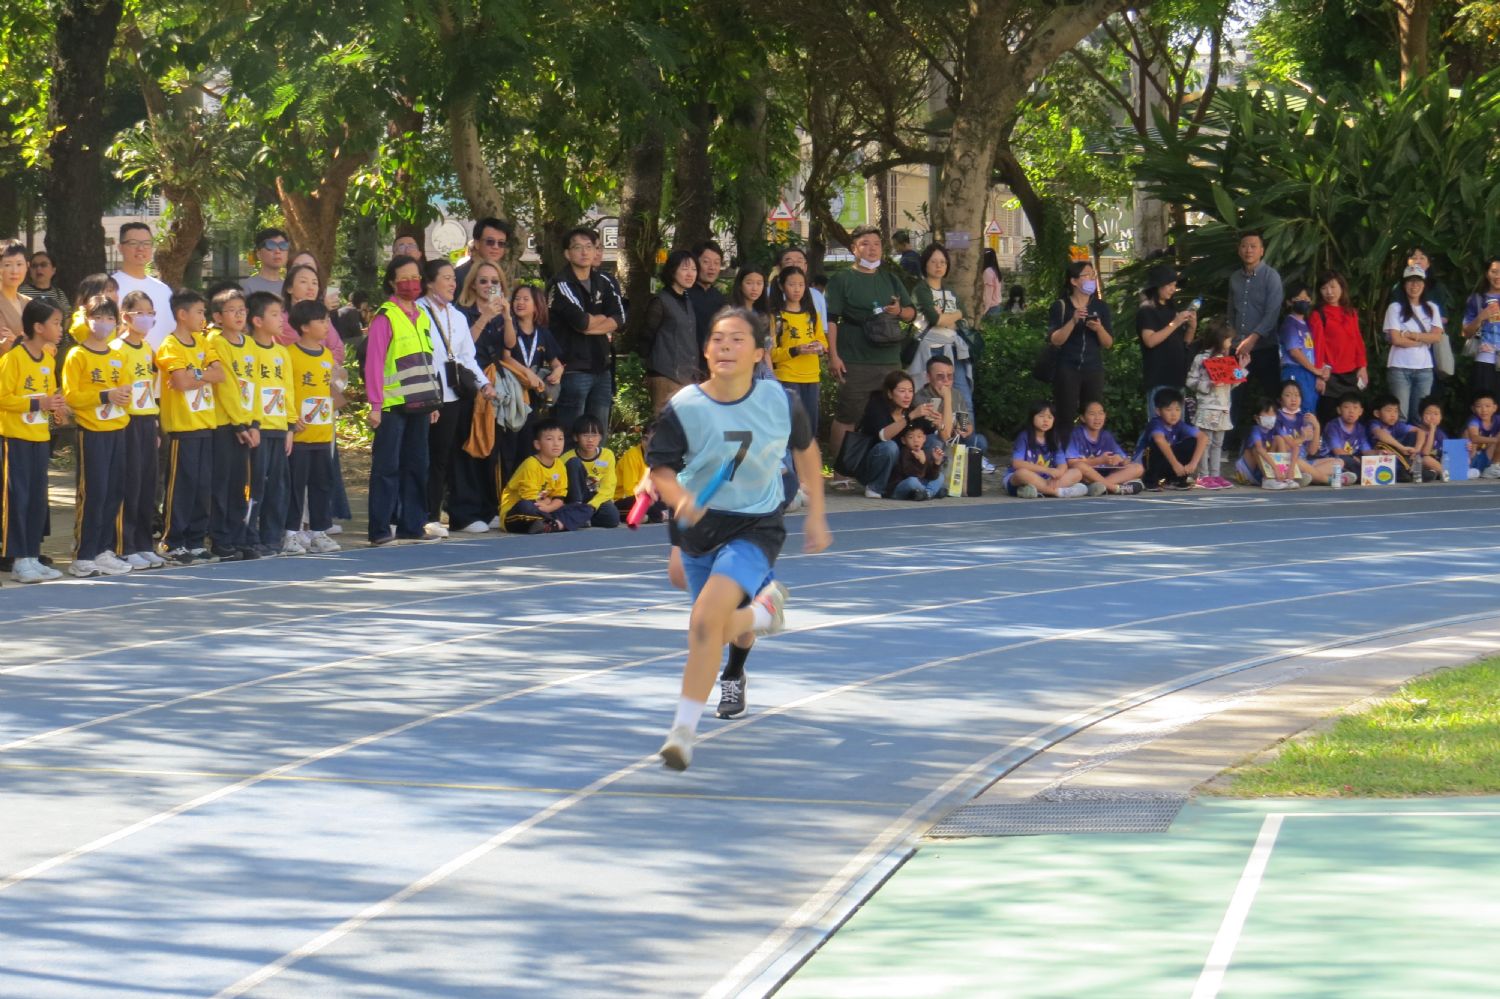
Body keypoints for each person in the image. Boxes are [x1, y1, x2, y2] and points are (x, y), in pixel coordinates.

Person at [647, 306, 830, 771]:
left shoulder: (780, 401)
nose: (725, 346)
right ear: (706, 351)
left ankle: (682, 734)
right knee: (710, 629)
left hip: (754, 525)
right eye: (717, 339)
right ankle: (764, 613)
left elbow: (807, 452)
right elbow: (662, 470)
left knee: (706, 622)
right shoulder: (685, 407)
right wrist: (679, 503)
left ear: (759, 354)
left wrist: (816, 514)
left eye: (737, 339)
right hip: (697, 530)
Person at [365, 254, 442, 545]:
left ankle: (413, 525)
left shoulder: (422, 315)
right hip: (391, 404)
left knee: (417, 465)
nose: (412, 283)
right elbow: (374, 362)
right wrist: (375, 405)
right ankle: (380, 529)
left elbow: (428, 359)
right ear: (392, 283)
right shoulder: (385, 317)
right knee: (387, 467)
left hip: (420, 403)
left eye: (416, 277)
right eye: (405, 278)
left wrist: (433, 400)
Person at [825, 225, 915, 461]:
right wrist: (833, 356)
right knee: (848, 415)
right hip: (855, 359)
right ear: (854, 248)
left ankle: (887, 466)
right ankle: (841, 470)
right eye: (865, 244)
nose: (872, 249)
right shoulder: (842, 279)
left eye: (876, 244)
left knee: (893, 413)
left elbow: (911, 313)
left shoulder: (891, 278)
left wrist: (899, 311)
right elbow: (830, 320)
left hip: (890, 358)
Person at [60, 295, 132, 576]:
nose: (104, 323)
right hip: (92, 432)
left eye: (110, 318)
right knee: (94, 492)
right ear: (86, 320)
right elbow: (72, 396)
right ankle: (84, 553)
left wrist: (121, 396)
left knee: (114, 491)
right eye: (97, 317)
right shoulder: (77, 355)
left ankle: (103, 549)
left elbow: (125, 390)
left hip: (117, 430)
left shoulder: (117, 356)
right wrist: (104, 395)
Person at [419, 258, 492, 534]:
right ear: (430, 282)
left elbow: (466, 357)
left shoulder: (457, 316)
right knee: (418, 456)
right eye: (446, 278)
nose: (453, 283)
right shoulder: (418, 312)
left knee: (441, 457)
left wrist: (484, 384)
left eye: (453, 278)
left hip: (451, 394)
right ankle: (406, 515)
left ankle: (432, 516)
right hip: (422, 393)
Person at [0, 299, 66, 582]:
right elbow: (3, 398)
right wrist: (40, 403)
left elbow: (49, 396)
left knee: (38, 499)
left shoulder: (48, 360)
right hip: (15, 439)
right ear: (38, 327)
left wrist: (56, 408)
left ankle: (31, 555)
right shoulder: (12, 359)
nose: (60, 329)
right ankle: (17, 559)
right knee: (18, 498)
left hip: (40, 437)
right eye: (56, 323)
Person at [156, 289, 223, 564]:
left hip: (205, 424)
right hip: (182, 428)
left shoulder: (203, 342)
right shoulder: (170, 345)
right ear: (182, 314)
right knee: (181, 486)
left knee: (202, 486)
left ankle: (195, 540)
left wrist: (194, 373)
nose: (203, 317)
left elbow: (220, 374)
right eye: (199, 312)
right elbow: (180, 382)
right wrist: (202, 375)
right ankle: (173, 542)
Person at [547, 228, 622, 437]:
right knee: (569, 434)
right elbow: (581, 322)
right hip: (572, 369)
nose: (584, 252)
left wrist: (593, 324)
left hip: (602, 368)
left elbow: (621, 318)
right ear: (567, 253)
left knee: (598, 435)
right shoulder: (561, 283)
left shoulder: (604, 281)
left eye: (589, 247)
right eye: (577, 247)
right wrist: (602, 320)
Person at [205, 288, 260, 561]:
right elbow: (225, 386)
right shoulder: (216, 343)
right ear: (217, 317)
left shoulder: (249, 344)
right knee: (222, 483)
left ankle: (239, 536)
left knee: (242, 484)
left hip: (247, 424)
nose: (239, 316)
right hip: (226, 425)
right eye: (232, 311)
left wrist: (255, 423)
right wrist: (239, 424)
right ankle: (220, 538)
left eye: (242, 310)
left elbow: (257, 385)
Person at [112, 290, 165, 568]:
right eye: (140, 313)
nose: (146, 318)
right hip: (127, 421)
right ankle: (125, 544)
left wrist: (154, 422)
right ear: (126, 316)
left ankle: (144, 543)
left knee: (147, 484)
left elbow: (149, 387)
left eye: (150, 313)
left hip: (147, 420)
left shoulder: (146, 349)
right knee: (130, 484)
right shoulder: (117, 349)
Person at [285, 299, 341, 554]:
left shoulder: (327, 355)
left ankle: (319, 531)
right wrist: (290, 419)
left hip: (322, 433)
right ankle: (290, 533)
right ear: (305, 326)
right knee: (295, 486)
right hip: (299, 435)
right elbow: (286, 390)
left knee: (322, 484)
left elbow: (329, 389)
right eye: (321, 321)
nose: (327, 325)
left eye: (327, 320)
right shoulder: (289, 355)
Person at [245, 291, 295, 558]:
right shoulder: (247, 350)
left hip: (278, 428)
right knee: (256, 484)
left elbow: (288, 390)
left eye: (281, 314)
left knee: (278, 485)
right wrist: (250, 423)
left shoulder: (281, 352)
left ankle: (272, 537)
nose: (281, 319)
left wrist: (290, 426)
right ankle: (249, 536)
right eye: (274, 314)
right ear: (257, 320)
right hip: (258, 429)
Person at [1225, 231, 1283, 437]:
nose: (1248, 250)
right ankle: (1226, 444)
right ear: (1238, 250)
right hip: (1238, 351)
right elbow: (1231, 313)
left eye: (1253, 246)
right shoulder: (1234, 278)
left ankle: (1279, 440)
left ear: (1262, 250)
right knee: (1232, 396)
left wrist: (1253, 338)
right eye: (1244, 246)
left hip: (1265, 348)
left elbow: (1272, 313)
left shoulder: (1271, 277)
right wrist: (1230, 341)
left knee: (1273, 394)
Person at [1045, 259, 1113, 432]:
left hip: (1093, 368)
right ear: (1074, 281)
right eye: (1087, 275)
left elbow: (1108, 343)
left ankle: (1089, 447)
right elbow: (1055, 340)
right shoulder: (1061, 306)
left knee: (1092, 414)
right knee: (1065, 414)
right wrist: (1073, 320)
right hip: (1067, 368)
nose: (1092, 279)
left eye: (1093, 275)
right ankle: (1064, 446)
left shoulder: (1100, 306)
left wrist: (1099, 329)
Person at [908, 243, 975, 415]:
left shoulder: (950, 291)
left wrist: (948, 317)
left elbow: (964, 316)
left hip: (954, 348)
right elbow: (935, 319)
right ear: (925, 264)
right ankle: (936, 432)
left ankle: (965, 431)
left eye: (943, 262)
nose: (939, 266)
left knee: (963, 398)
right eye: (933, 262)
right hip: (931, 349)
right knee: (932, 399)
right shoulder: (921, 290)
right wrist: (952, 316)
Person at [853, 371, 941, 498]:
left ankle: (921, 487)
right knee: (890, 446)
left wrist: (940, 425)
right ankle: (875, 487)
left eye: (910, 391)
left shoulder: (912, 410)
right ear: (890, 393)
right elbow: (883, 436)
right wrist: (910, 417)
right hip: (872, 466)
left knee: (933, 440)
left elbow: (934, 434)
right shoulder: (877, 407)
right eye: (902, 391)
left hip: (902, 470)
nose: (907, 396)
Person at [500, 419, 593, 532]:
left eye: (560, 439)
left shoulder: (559, 465)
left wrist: (549, 506)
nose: (556, 443)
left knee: (586, 508)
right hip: (518, 512)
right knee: (526, 507)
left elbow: (559, 497)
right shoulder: (531, 464)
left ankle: (551, 525)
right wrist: (549, 502)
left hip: (546, 509)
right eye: (549, 439)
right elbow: (531, 499)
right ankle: (557, 523)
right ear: (537, 444)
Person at [768, 265, 826, 440]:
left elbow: (823, 341)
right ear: (781, 286)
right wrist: (796, 350)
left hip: (811, 376)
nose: (797, 289)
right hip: (787, 376)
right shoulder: (776, 317)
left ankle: (808, 458)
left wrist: (819, 347)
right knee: (790, 429)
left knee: (810, 429)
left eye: (801, 285)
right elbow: (771, 353)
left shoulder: (812, 314)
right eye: (792, 284)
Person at [1380, 265, 1442, 422]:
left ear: (1424, 284)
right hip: (1399, 367)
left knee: (1420, 417)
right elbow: (1396, 339)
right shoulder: (1395, 308)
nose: (1414, 285)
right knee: (1399, 416)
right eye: (1410, 281)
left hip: (1424, 369)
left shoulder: (1432, 308)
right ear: (1404, 285)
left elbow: (1436, 337)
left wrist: (1411, 335)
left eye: (1418, 281)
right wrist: (1423, 340)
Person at [642, 249, 701, 415]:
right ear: (672, 271)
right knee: (664, 423)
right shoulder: (660, 301)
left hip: (688, 376)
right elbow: (646, 337)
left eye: (694, 269)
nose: (690, 274)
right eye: (684, 269)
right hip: (664, 375)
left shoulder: (687, 300)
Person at [1137, 262, 1197, 416]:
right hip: (1159, 377)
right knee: (1160, 425)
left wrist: (1191, 327)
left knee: (1177, 425)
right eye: (1169, 285)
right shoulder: (1147, 310)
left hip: (1178, 377)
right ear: (1158, 285)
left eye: (1174, 285)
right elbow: (1150, 341)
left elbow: (1185, 343)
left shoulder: (1172, 309)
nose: (1173, 289)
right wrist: (1175, 323)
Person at [1309, 270, 1367, 426]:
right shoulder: (1318, 314)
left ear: (1342, 288)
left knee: (1353, 418)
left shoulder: (1351, 312)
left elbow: (1357, 340)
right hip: (1330, 375)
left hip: (1352, 373)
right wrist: (1319, 374)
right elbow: (1318, 346)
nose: (1329, 292)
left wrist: (1362, 366)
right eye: (1324, 288)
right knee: (1329, 419)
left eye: (1333, 287)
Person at [913, 355, 990, 469]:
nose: (946, 381)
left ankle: (964, 468)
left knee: (980, 441)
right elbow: (945, 436)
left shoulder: (957, 394)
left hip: (954, 440)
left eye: (950, 376)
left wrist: (966, 429)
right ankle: (940, 468)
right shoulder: (922, 398)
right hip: (935, 441)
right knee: (936, 443)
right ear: (928, 377)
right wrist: (947, 398)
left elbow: (964, 424)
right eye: (940, 376)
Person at [1185, 319, 1237, 487]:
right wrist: (1208, 384)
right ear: (1219, 339)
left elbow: (1233, 383)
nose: (1230, 343)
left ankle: (1215, 474)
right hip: (1207, 407)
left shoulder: (1226, 359)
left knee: (1217, 443)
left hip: (1223, 407)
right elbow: (1190, 381)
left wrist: (1241, 368)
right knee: (1205, 443)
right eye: (1228, 339)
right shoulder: (1201, 359)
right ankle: (1203, 475)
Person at [111, 223, 175, 348]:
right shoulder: (109, 287)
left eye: (146, 243)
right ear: (120, 248)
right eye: (133, 243)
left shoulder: (164, 290)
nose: (140, 248)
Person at [1006, 400, 1087, 498]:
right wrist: (1047, 470)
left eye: (1050, 417)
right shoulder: (1024, 436)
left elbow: (1062, 465)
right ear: (1032, 417)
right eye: (1041, 416)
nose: (1046, 420)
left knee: (1077, 472)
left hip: (1048, 479)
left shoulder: (1054, 439)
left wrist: (1058, 474)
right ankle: (1058, 492)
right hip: (1024, 478)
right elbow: (1017, 463)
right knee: (1022, 473)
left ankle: (1041, 490)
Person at [1065, 400, 1145, 495]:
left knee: (1138, 468)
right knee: (1079, 466)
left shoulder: (1106, 436)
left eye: (1100, 413)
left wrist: (1120, 460)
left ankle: (1098, 486)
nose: (1097, 418)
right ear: (1083, 418)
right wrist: (1100, 460)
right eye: (1092, 414)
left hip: (1106, 475)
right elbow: (1072, 463)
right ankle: (1114, 488)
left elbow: (1125, 460)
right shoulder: (1075, 435)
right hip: (1085, 476)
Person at [1138, 388, 1208, 489]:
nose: (1174, 414)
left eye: (1177, 409)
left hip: (1167, 464)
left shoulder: (1179, 424)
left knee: (1192, 442)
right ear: (1158, 411)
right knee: (1158, 445)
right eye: (1168, 410)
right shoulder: (1155, 423)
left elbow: (1203, 437)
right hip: (1148, 465)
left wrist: (1193, 463)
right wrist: (1175, 465)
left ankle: (1175, 480)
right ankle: (1150, 481)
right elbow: (1159, 440)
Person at [562, 414, 621, 528]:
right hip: (574, 499)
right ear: (576, 437)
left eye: (594, 435)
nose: (590, 440)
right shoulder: (565, 458)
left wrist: (591, 506)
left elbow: (608, 487)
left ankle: (580, 517)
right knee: (574, 463)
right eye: (585, 435)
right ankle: (577, 512)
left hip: (595, 497)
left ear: (600, 437)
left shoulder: (607, 455)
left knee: (612, 518)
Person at [1277, 281, 1324, 416]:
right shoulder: (1290, 324)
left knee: (1309, 406)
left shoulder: (1305, 324)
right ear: (1289, 302)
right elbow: (1294, 352)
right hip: (1294, 370)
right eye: (1299, 298)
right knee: (1296, 409)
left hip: (1307, 372)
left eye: (1306, 298)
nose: (1304, 301)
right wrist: (1315, 370)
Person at [1235, 399, 1301, 490]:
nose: (1271, 417)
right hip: (1248, 473)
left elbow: (1295, 446)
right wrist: (1275, 468)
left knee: (1279, 439)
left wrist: (1291, 468)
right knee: (1257, 449)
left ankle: (1285, 477)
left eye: (1273, 414)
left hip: (1265, 468)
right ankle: (1268, 479)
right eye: (1267, 413)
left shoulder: (1276, 427)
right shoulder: (1255, 430)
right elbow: (1259, 449)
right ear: (1257, 418)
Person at [1460, 258, 1500, 398]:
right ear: (1487, 274)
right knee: (1484, 403)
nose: (1498, 276)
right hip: (1485, 358)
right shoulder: (1477, 299)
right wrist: (1481, 317)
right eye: (1494, 271)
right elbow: (1466, 332)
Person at [613, 422, 667, 523]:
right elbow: (630, 491)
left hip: (647, 498)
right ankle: (658, 516)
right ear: (643, 439)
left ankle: (649, 516)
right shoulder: (632, 455)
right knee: (643, 502)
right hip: (623, 499)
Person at [1366, 392, 1424, 482]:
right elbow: (1380, 434)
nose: (1393, 415)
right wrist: (1401, 448)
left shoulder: (1397, 425)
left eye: (1396, 411)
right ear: (1377, 413)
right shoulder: (1374, 424)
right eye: (1389, 411)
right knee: (1384, 444)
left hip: (1396, 457)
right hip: (1377, 459)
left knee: (1412, 435)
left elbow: (1420, 431)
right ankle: (1405, 471)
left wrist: (1417, 449)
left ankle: (1410, 469)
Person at [453, 217, 512, 294]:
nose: (496, 247)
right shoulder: (459, 276)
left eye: (501, 243)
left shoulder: (500, 273)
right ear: (477, 243)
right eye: (490, 242)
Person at [776, 246, 827, 331]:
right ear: (779, 268)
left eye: (799, 261)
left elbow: (822, 330)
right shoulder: (766, 293)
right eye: (789, 262)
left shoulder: (817, 296)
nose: (795, 265)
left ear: (805, 267)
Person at [889, 422, 946, 500]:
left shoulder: (925, 452)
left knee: (940, 476)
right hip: (902, 486)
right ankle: (930, 492)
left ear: (924, 439)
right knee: (912, 481)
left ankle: (926, 493)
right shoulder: (904, 452)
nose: (916, 440)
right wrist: (922, 462)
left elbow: (931, 476)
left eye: (919, 437)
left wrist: (937, 462)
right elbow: (910, 474)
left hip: (918, 485)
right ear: (903, 440)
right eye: (911, 437)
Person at [1323, 392, 1375, 476]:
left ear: (1360, 411)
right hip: (1331, 461)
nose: (1351, 411)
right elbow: (1337, 451)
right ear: (1339, 410)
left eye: (1355, 408)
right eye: (1346, 407)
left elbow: (1366, 451)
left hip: (1351, 462)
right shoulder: (1332, 426)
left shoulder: (1360, 428)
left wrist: (1379, 453)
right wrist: (1354, 459)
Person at [686, 241, 727, 345]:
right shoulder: (683, 295)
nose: (712, 267)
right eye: (706, 262)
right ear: (695, 263)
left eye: (716, 263)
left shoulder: (720, 299)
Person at [0, 241, 33, 350]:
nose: (14, 271)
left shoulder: (30, 303)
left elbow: (50, 347)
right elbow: (5, 343)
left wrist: (16, 340)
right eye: (7, 265)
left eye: (19, 264)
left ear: (27, 266)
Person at [241, 228, 290, 298]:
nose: (278, 251)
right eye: (271, 245)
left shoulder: (290, 288)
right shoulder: (248, 287)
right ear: (258, 254)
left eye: (283, 245)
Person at [1410, 395, 1450, 481]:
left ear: (1441, 417)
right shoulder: (1416, 431)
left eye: (1436, 414)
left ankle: (1438, 473)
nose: (1432, 417)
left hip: (1436, 464)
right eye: (1428, 413)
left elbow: (1449, 451)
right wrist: (1432, 431)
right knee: (1426, 459)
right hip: (1419, 463)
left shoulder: (1441, 434)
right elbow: (1425, 453)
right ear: (1421, 415)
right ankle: (1446, 473)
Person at [1467, 391, 1500, 477]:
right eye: (1479, 406)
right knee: (1467, 434)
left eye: (1487, 406)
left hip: (1489, 455)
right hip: (1473, 457)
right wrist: (1496, 440)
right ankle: (1468, 468)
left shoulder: (1497, 419)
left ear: (1495, 408)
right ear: (1473, 409)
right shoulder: (1474, 421)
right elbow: (1474, 438)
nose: (1484, 410)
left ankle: (1494, 467)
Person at [981, 248, 1004, 318]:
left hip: (990, 308)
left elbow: (988, 293)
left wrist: (985, 310)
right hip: (996, 306)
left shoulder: (987, 272)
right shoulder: (995, 270)